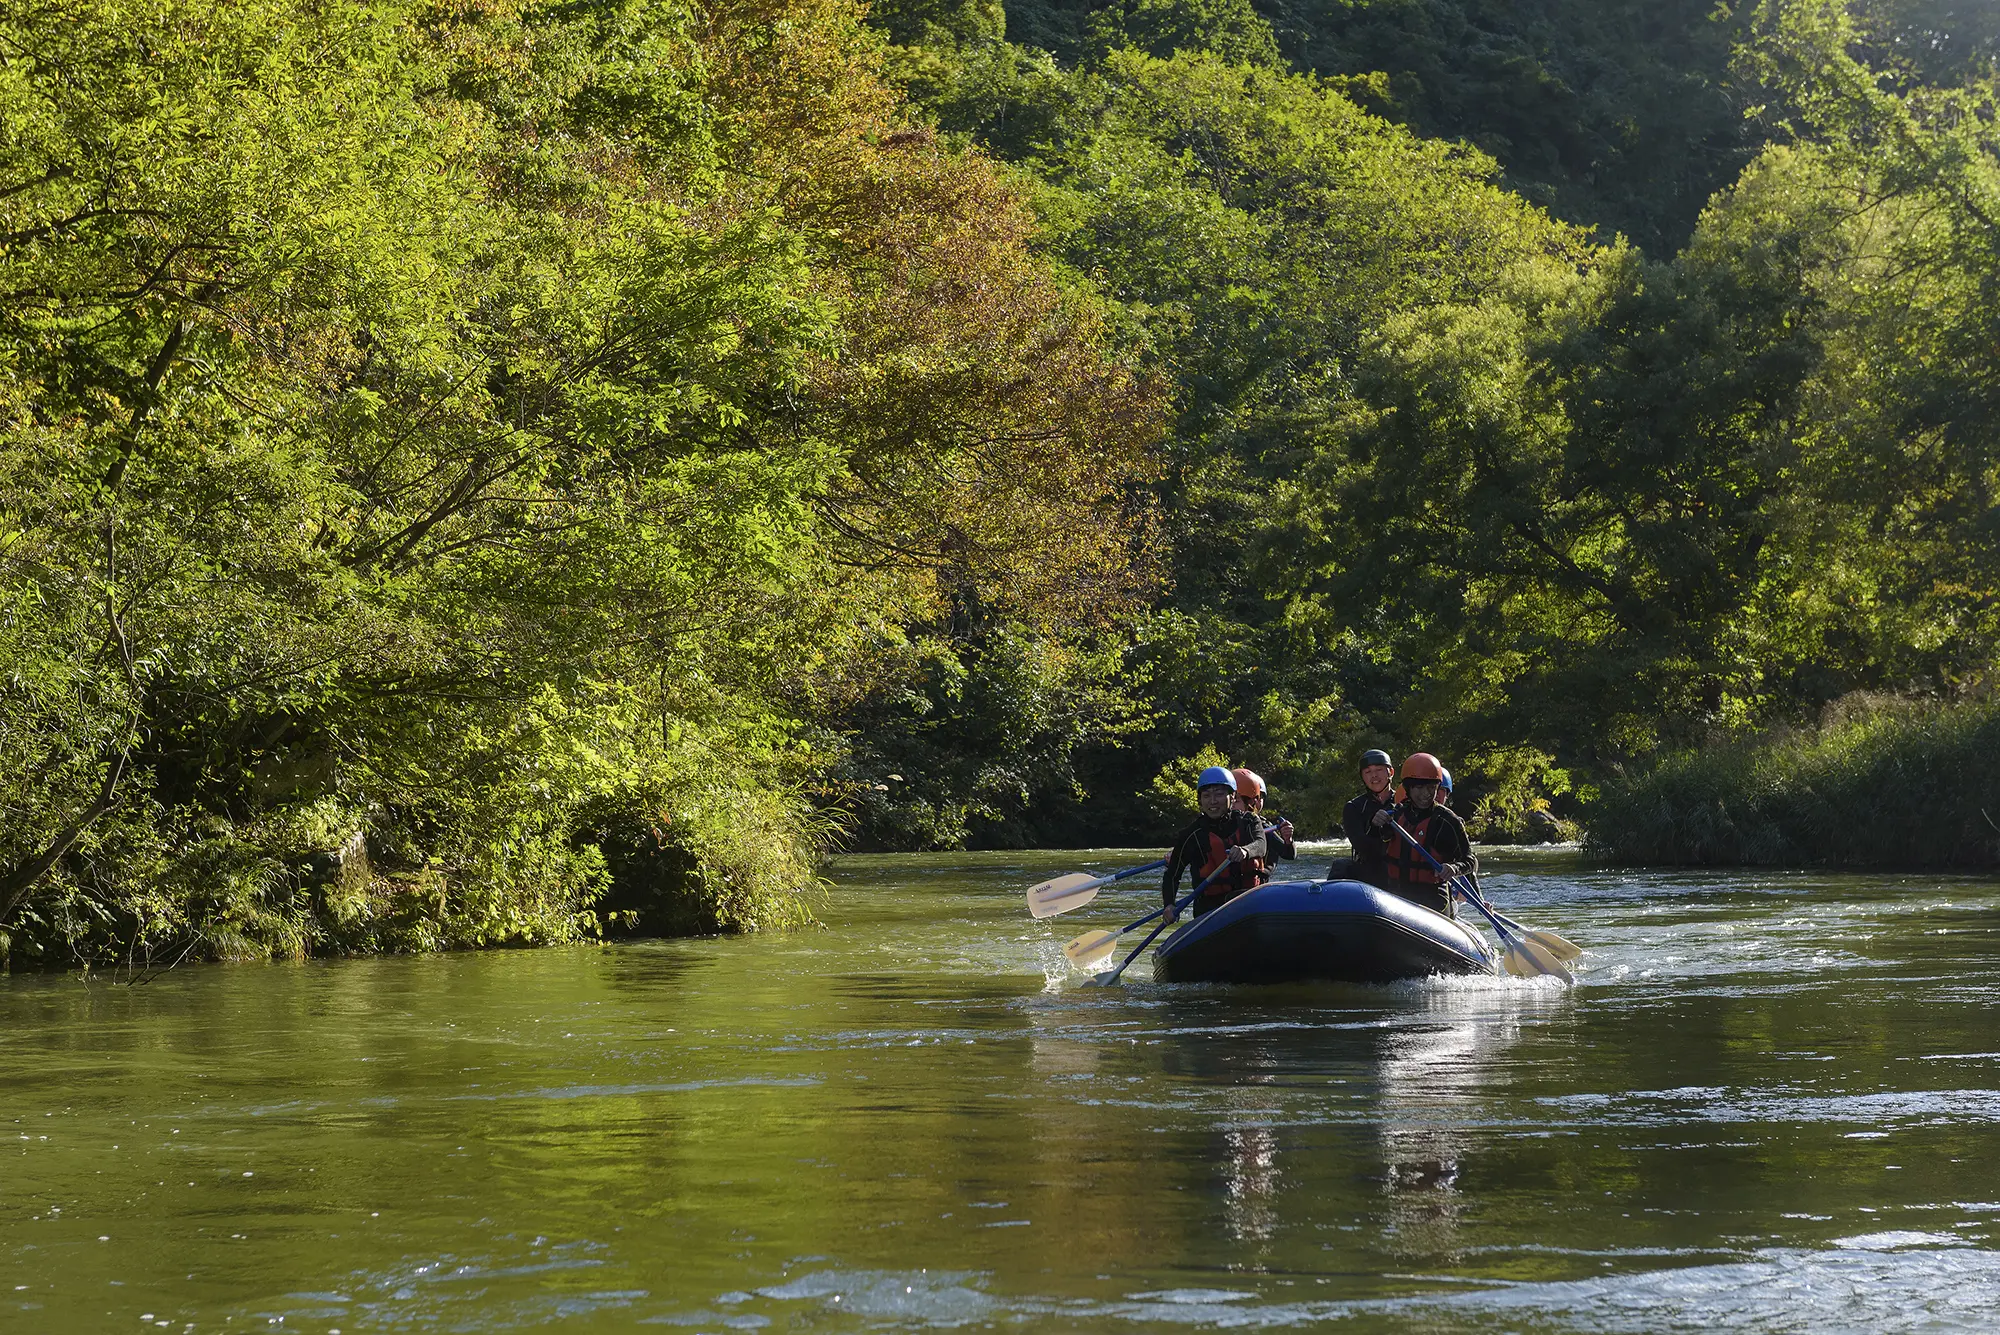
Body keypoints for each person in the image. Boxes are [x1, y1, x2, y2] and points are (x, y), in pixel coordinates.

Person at [1162, 766, 1268, 922]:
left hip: (1248, 901)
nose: (1212, 801)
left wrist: (1245, 851)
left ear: (1233, 797)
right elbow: (1172, 874)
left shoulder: (1249, 821)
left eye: (1219, 794)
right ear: (1200, 800)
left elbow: (1261, 845)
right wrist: (1169, 905)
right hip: (1210, 908)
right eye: (1206, 795)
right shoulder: (1192, 835)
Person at [1379, 752, 1474, 916]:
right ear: (1408, 788)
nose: (1426, 794)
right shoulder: (1394, 815)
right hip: (1396, 896)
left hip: (1433, 899)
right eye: (1419, 788)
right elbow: (1374, 843)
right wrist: (1376, 824)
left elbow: (1470, 861)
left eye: (1431, 788)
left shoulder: (1448, 821)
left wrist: (1453, 868)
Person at [1329, 748, 1397, 886]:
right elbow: (1362, 846)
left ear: (1390, 772)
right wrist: (1374, 828)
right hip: (1372, 870)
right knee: (1341, 866)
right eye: (1368, 772)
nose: (1374, 776)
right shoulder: (1354, 807)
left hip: (1401, 868)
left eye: (1378, 770)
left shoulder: (1404, 803)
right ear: (1362, 777)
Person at [1233, 767, 1294, 871]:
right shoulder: (1219, 825)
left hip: (1257, 883)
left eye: (1236, 801)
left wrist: (1288, 840)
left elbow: (1289, 855)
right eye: (1231, 800)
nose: (1232, 806)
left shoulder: (1263, 827)